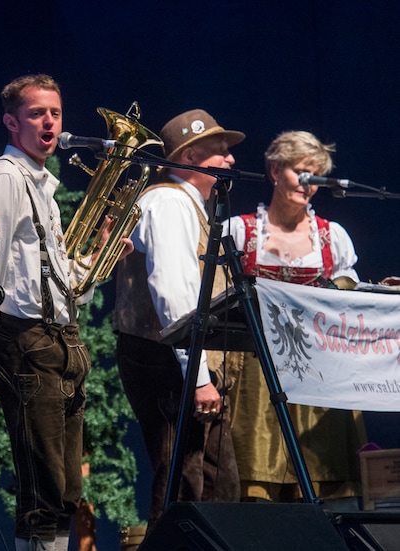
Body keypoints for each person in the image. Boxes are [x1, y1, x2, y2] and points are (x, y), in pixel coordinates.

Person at [0, 74, 131, 551]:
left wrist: (96, 261)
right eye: (37, 113)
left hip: (62, 340)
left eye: (56, 113)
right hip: (25, 341)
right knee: (42, 490)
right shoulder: (3, 177)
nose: (49, 122)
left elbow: (56, 283)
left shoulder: (41, 184)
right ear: (11, 122)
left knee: (65, 490)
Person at [114, 109, 245, 527]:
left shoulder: (186, 204)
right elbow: (173, 293)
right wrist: (199, 378)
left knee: (213, 484)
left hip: (184, 364)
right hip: (170, 363)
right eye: (220, 153)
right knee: (181, 484)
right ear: (189, 158)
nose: (231, 161)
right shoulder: (169, 202)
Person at [223, 130, 362, 502]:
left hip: (320, 377)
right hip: (256, 373)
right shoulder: (240, 231)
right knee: (257, 489)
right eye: (301, 172)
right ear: (274, 170)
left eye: (316, 176)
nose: (309, 184)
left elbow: (348, 309)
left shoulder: (333, 237)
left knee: (319, 486)